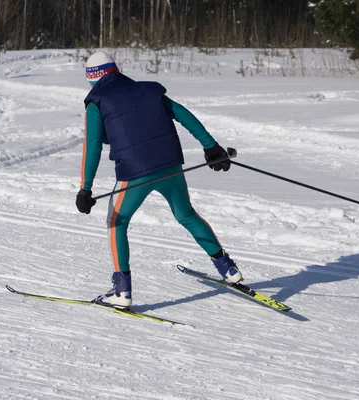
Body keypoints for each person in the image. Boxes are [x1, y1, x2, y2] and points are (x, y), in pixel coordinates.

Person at [76, 51, 243, 309]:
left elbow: (93, 146)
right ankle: (228, 269)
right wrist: (212, 148)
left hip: (134, 174)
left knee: (115, 222)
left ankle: (122, 291)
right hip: (171, 166)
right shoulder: (147, 91)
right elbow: (183, 114)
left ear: (92, 78)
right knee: (186, 215)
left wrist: (85, 188)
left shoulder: (96, 100)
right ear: (115, 70)